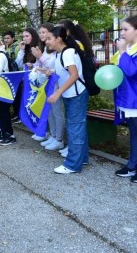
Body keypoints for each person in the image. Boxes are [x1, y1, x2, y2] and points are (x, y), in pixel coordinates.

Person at [45, 26, 89, 174]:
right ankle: (81, 158)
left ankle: (72, 165)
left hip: (76, 95)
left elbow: (74, 75)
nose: (47, 41)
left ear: (58, 39)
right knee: (77, 127)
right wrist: (50, 72)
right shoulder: (59, 54)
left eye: (49, 38)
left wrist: (58, 93)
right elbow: (63, 72)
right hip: (70, 95)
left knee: (74, 128)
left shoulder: (68, 53)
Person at [32, 23, 66, 153]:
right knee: (50, 111)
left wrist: (40, 57)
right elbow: (43, 65)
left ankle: (59, 139)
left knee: (57, 112)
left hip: (56, 85)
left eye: (44, 32)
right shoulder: (45, 47)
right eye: (40, 32)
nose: (41, 35)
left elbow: (53, 65)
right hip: (46, 83)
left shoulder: (55, 49)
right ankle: (53, 135)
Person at [113, 15, 137, 182]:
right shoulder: (130, 48)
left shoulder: (129, 50)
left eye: (125, 29)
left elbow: (131, 72)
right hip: (128, 100)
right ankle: (132, 165)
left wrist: (122, 52)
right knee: (134, 135)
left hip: (134, 100)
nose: (122, 33)